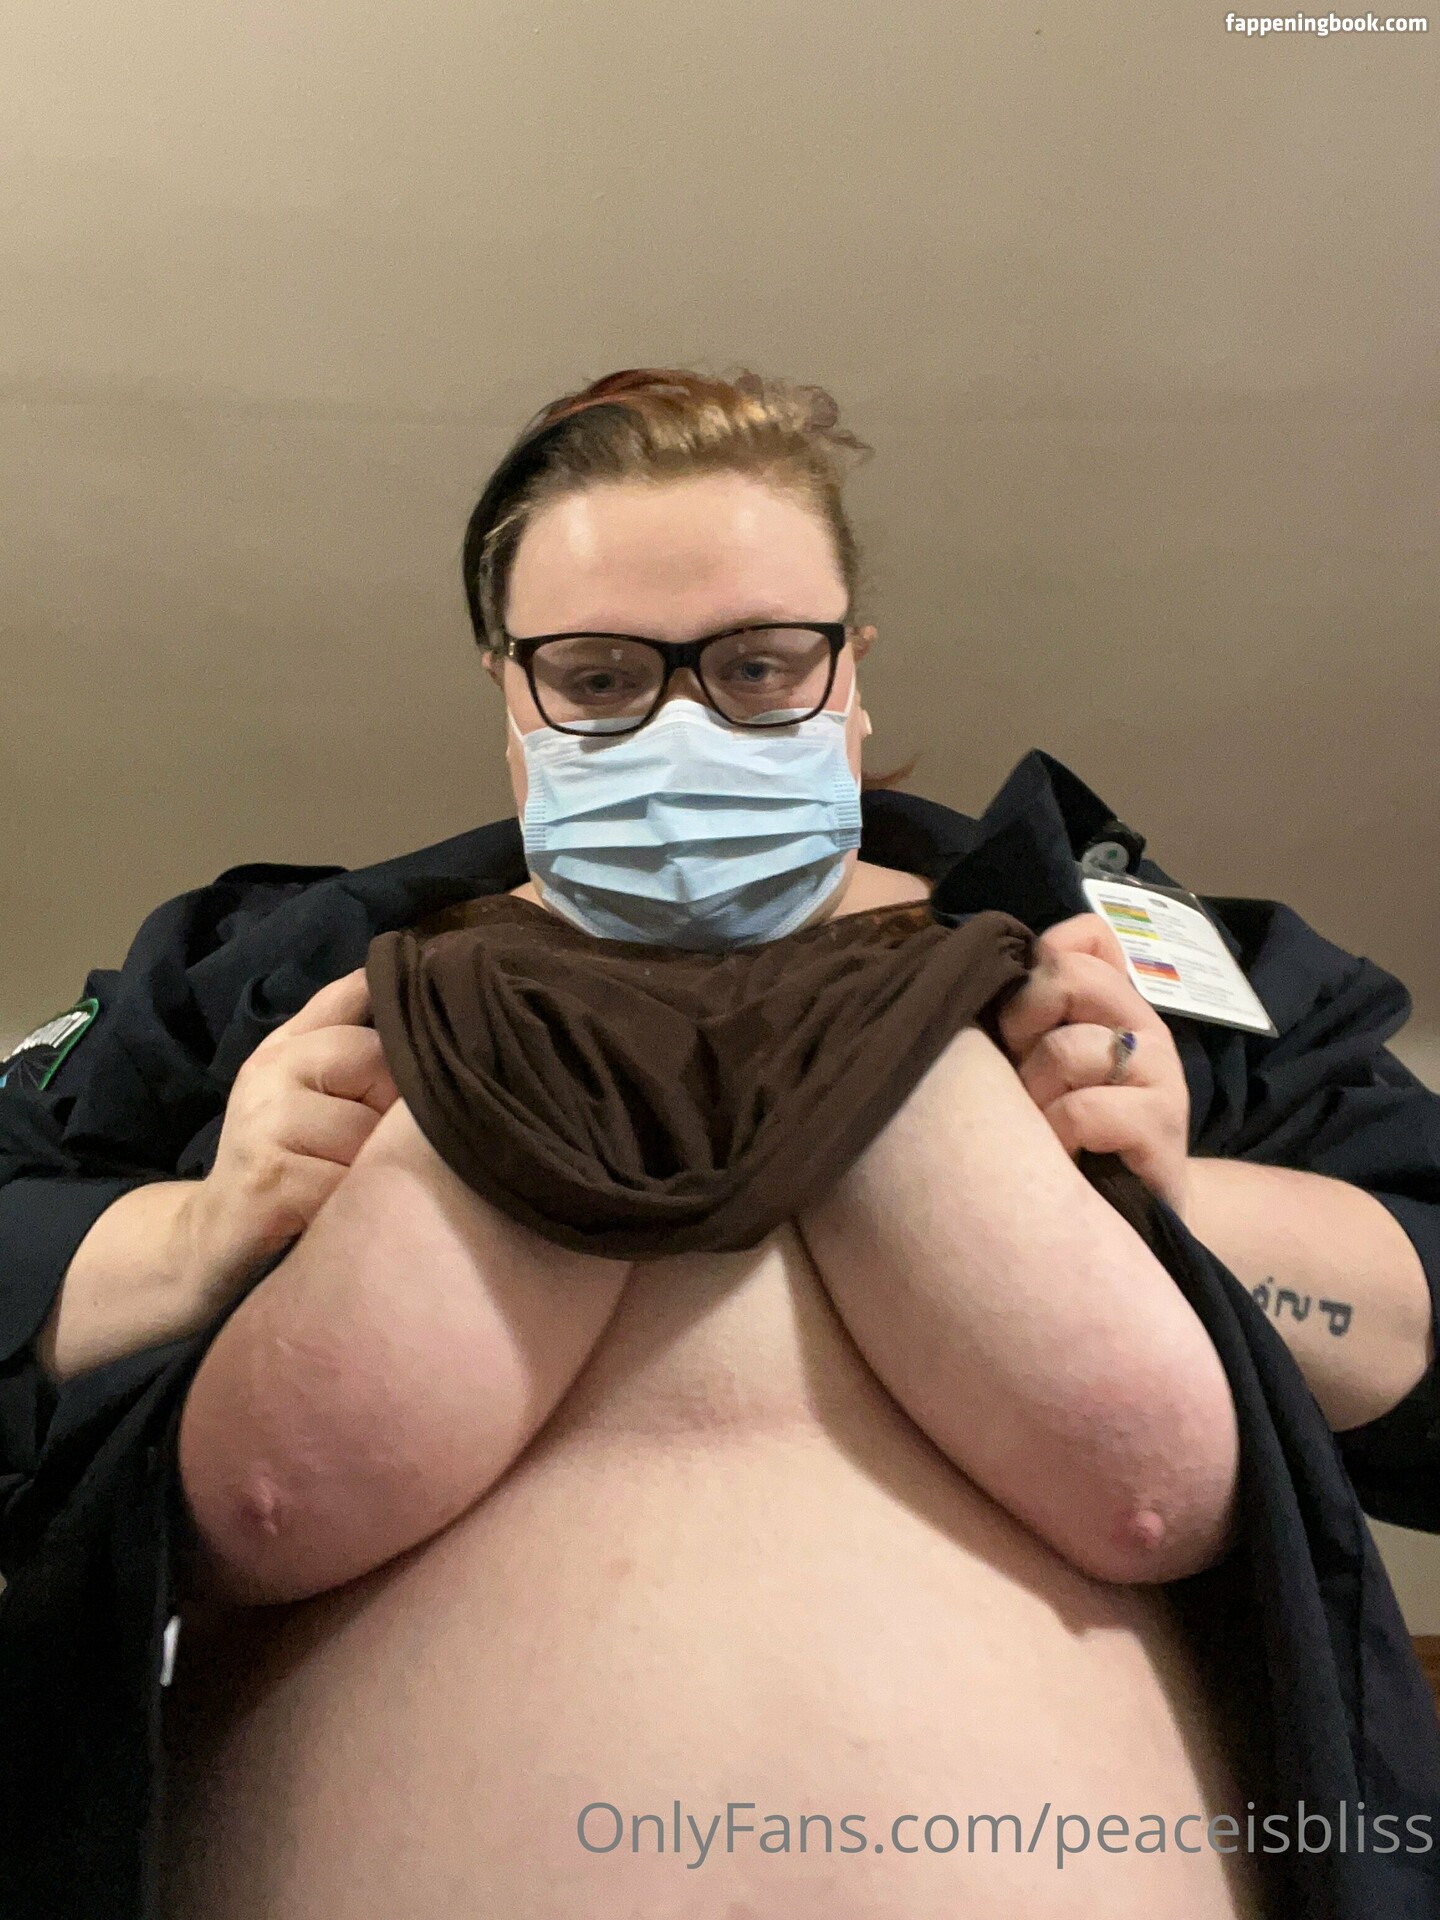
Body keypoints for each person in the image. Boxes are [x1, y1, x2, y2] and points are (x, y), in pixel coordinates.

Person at [2, 366, 1439, 1920]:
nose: (683, 723)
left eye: (758, 666)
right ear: (510, 697)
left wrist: (1179, 1206)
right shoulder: (257, 986)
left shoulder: (1157, 987)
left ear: (852, 674)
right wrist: (193, 1232)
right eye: (600, 676)